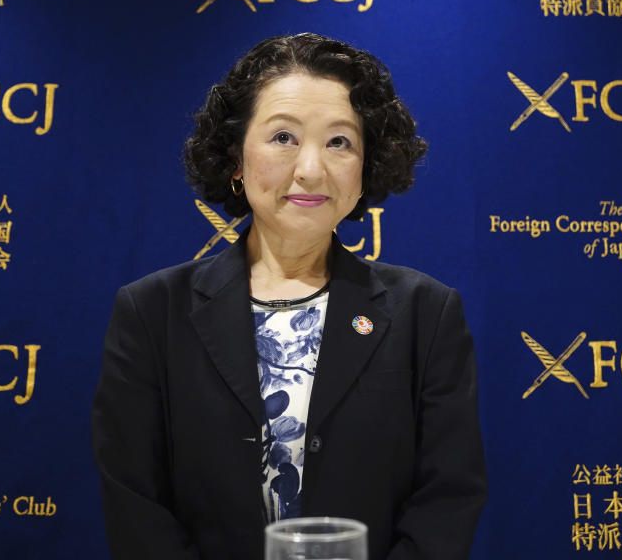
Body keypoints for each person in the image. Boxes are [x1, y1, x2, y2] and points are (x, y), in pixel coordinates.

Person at [92, 33, 486, 560]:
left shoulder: (426, 314)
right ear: (235, 157)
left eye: (339, 142)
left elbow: (446, 501)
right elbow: (136, 506)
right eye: (283, 137)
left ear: (366, 163)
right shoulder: (151, 313)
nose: (310, 169)